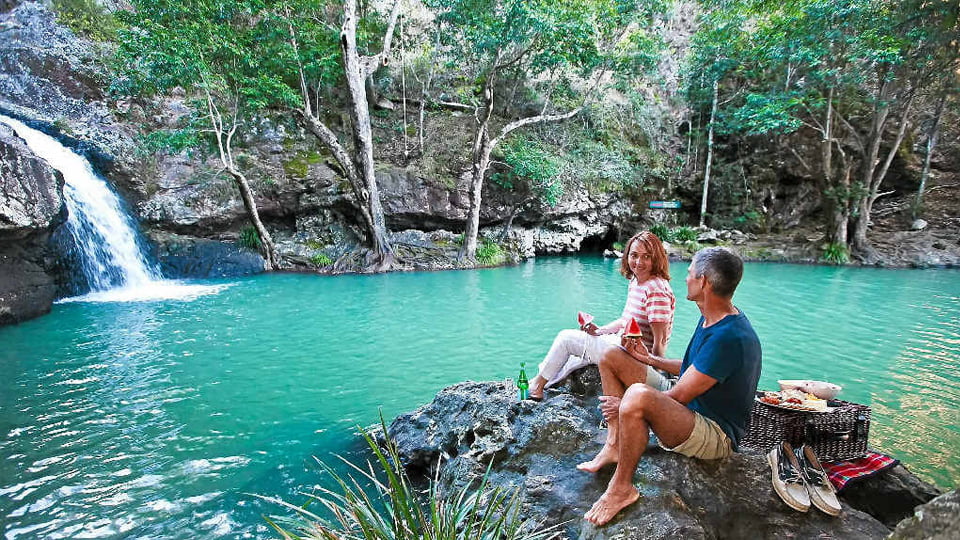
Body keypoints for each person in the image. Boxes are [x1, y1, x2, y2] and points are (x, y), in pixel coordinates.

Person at [579, 246, 762, 526]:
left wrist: (626, 404)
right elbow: (696, 368)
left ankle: (621, 488)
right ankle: (615, 443)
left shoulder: (730, 337)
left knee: (637, 396)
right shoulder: (713, 316)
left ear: (704, 282)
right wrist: (648, 359)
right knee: (611, 354)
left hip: (715, 434)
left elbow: (678, 396)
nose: (684, 279)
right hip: (690, 409)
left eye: (689, 273)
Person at [527, 231, 676, 401]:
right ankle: (542, 383)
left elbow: (661, 341)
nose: (639, 262)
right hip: (622, 345)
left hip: (635, 358)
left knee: (566, 338)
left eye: (646, 256)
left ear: (656, 258)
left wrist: (656, 378)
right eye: (634, 255)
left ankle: (537, 387)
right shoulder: (636, 281)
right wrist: (600, 331)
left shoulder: (656, 289)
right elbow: (625, 321)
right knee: (576, 350)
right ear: (627, 256)